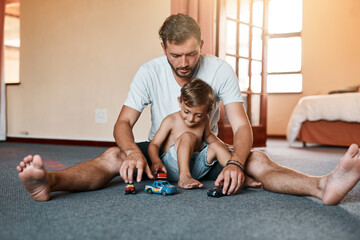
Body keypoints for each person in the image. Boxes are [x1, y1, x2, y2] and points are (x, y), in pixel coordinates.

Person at [16, 13, 360, 205]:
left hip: (208, 157)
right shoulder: (148, 70)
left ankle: (322, 186)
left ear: (202, 46)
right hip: (159, 160)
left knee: (257, 159)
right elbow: (123, 123)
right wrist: (134, 154)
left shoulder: (221, 70)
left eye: (192, 54)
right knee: (113, 156)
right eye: (175, 55)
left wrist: (237, 162)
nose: (184, 63)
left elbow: (241, 127)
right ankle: (49, 180)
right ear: (163, 47)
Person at [148, 78, 262, 189]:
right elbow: (154, 144)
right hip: (172, 167)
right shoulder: (171, 120)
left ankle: (238, 176)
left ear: (208, 110)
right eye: (186, 111)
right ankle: (184, 176)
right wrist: (156, 161)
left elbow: (208, 136)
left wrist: (222, 145)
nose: (191, 118)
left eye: (198, 115)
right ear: (180, 102)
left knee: (217, 146)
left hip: (195, 166)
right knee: (188, 136)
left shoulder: (205, 119)